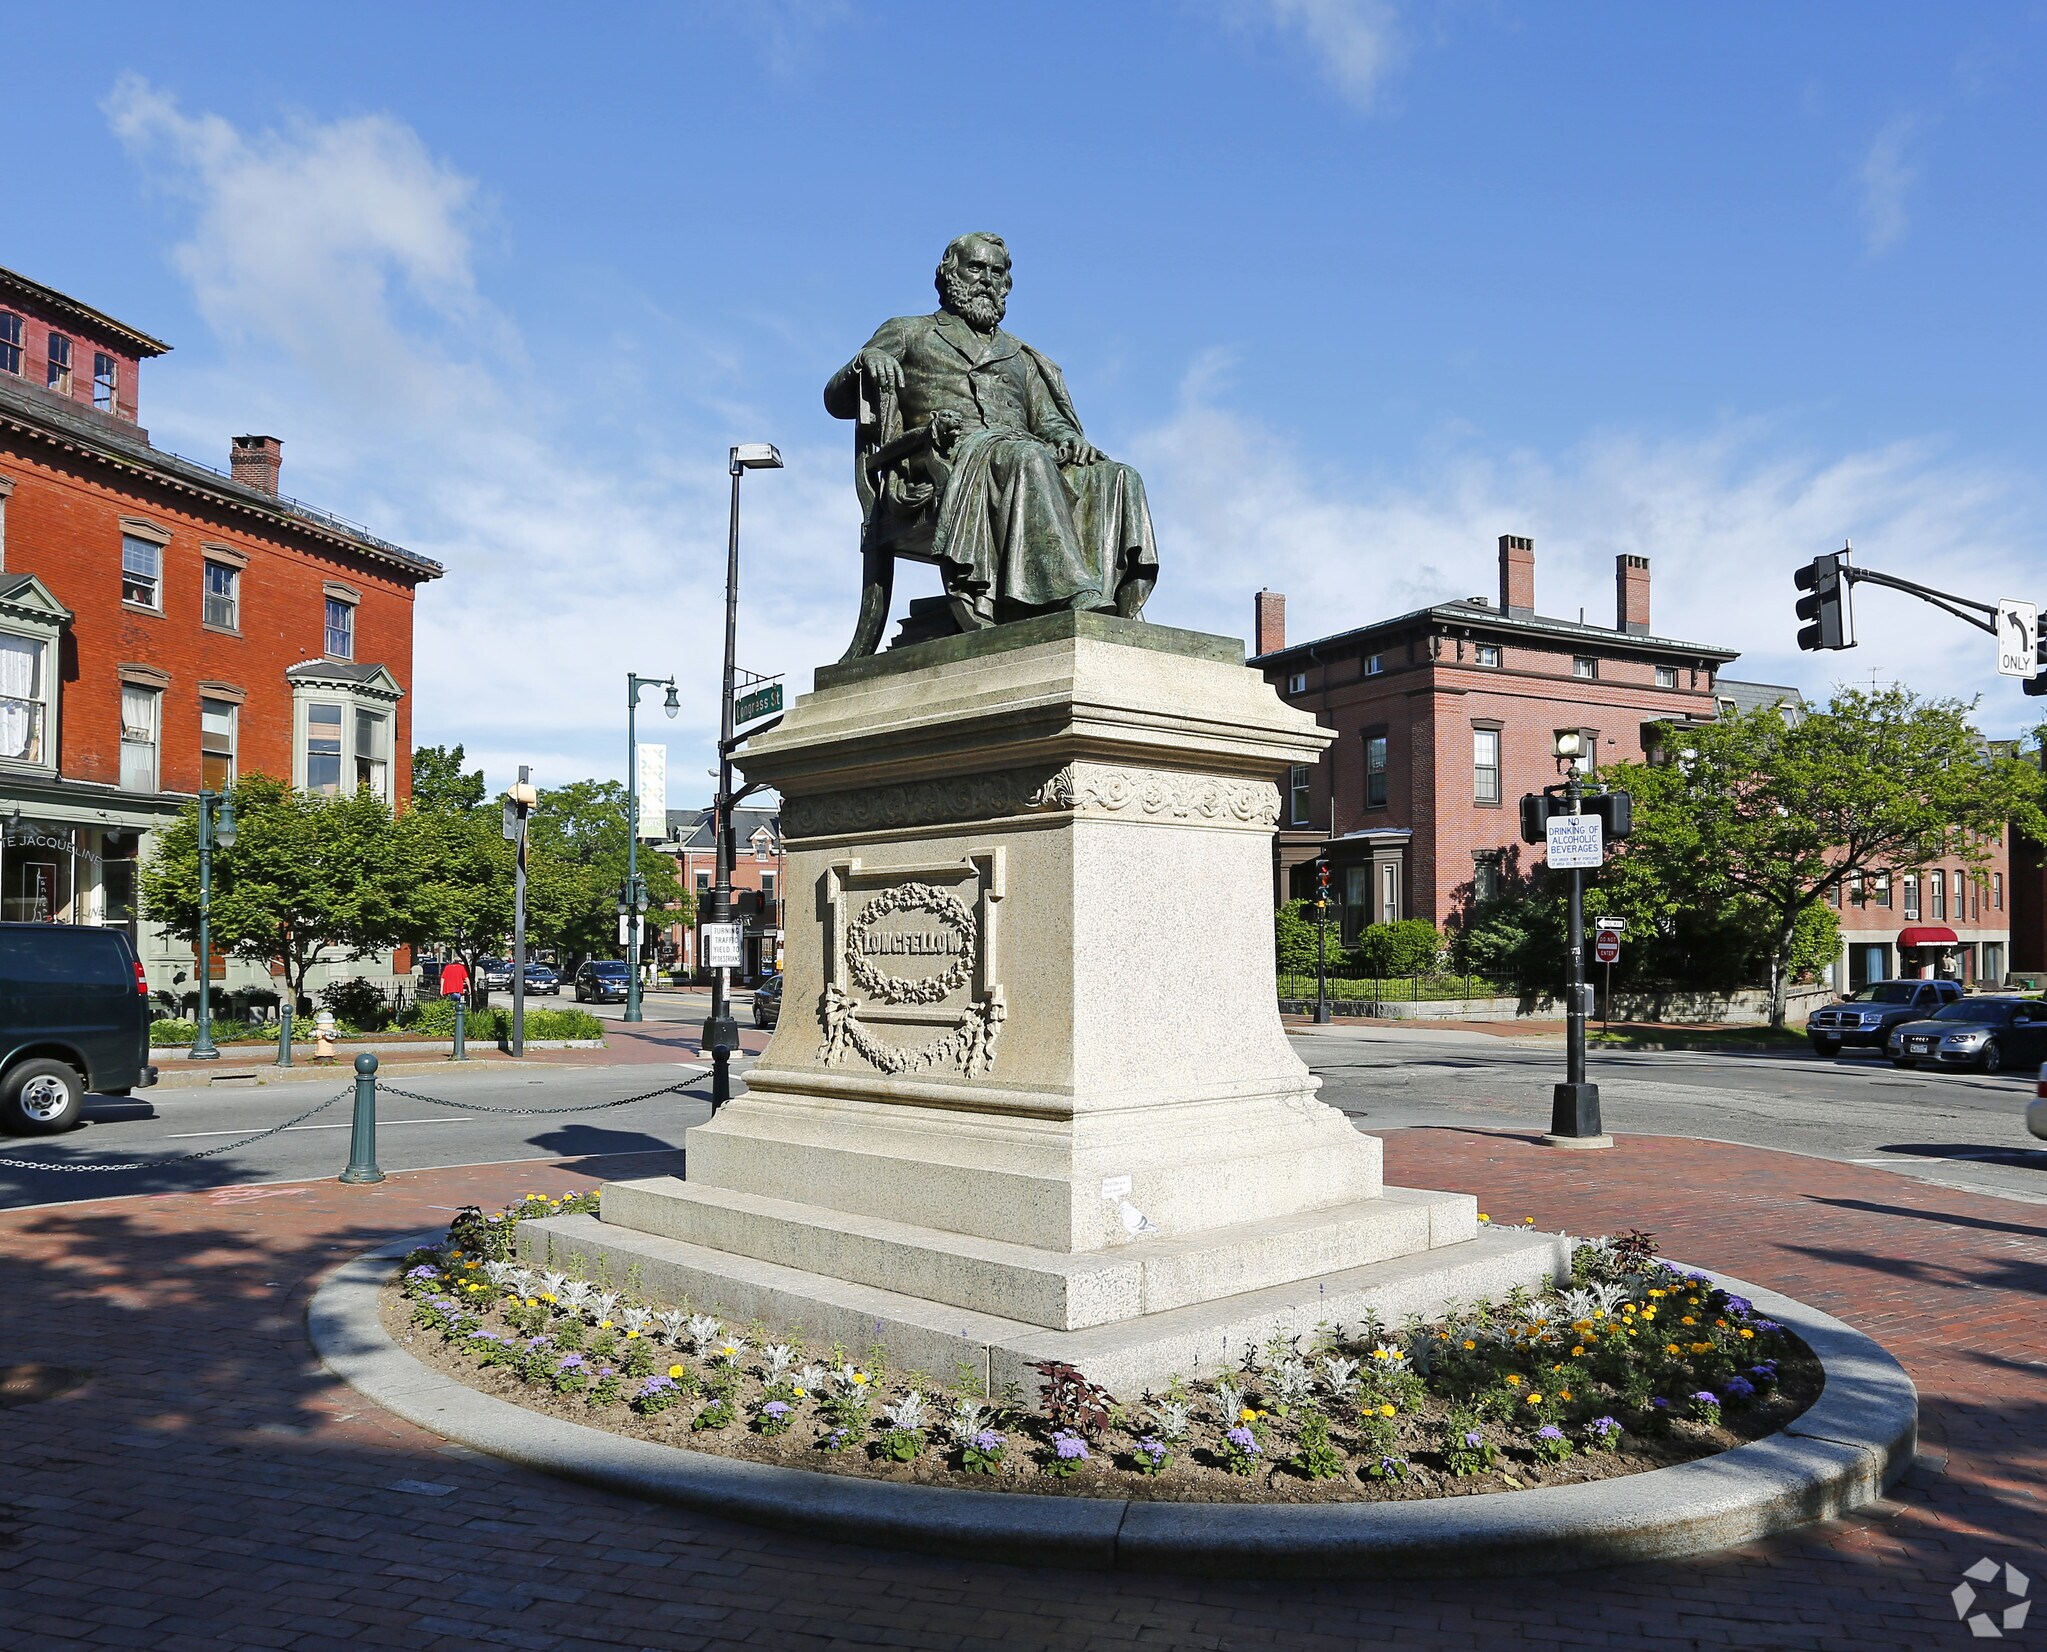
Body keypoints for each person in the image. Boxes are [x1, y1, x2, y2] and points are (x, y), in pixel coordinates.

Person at [824, 232, 1158, 630]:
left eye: (996, 272)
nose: (987, 280)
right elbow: (835, 401)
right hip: (947, 456)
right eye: (976, 268)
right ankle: (1070, 593)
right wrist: (866, 360)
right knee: (1027, 457)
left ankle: (1112, 603)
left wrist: (1069, 438)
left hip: (1020, 455)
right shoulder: (910, 331)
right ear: (950, 274)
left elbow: (1048, 421)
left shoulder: (1020, 354)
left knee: (1118, 476)